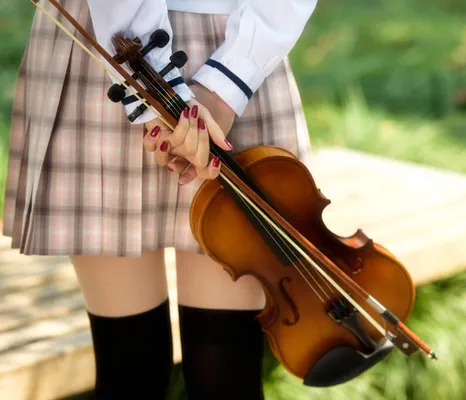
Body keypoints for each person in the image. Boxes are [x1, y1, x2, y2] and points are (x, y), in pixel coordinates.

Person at [2, 0, 317, 398]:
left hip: (235, 42)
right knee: (131, 368)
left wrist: (225, 85)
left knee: (223, 369)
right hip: (110, 46)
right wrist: (156, 88)